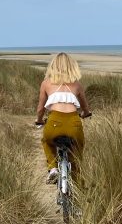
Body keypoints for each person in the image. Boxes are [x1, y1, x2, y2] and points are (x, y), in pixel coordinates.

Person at [34, 52, 91, 183]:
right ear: (72, 67)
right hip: (74, 122)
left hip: (54, 121)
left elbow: (40, 109)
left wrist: (39, 120)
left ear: (52, 66)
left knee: (46, 141)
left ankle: (53, 168)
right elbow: (85, 108)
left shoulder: (46, 83)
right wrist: (86, 113)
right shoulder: (77, 84)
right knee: (77, 151)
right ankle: (77, 183)